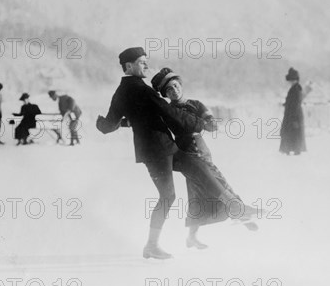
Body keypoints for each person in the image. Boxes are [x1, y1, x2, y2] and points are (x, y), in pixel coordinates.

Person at [96, 47, 257, 260]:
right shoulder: (142, 90)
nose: (146, 65)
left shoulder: (121, 92)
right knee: (168, 195)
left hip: (163, 147)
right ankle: (152, 245)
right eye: (142, 61)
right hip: (157, 152)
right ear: (129, 66)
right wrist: (200, 124)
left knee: (198, 167)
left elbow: (109, 125)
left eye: (146, 61)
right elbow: (170, 113)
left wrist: (103, 123)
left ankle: (235, 207)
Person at [151, 68, 259, 250]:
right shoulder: (167, 110)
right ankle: (238, 213)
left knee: (207, 186)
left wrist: (207, 122)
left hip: (200, 148)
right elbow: (151, 123)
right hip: (185, 152)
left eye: (176, 86)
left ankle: (195, 235)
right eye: (169, 90)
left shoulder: (196, 104)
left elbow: (211, 125)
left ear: (181, 85)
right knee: (205, 189)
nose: (174, 91)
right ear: (165, 94)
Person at [279, 67, 312, 155]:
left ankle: (292, 151)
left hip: (294, 116)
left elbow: (296, 104)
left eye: (291, 80)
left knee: (293, 134)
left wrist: (294, 119)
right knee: (292, 134)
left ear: (294, 80)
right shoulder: (295, 88)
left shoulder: (296, 89)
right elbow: (292, 102)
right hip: (292, 115)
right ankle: (290, 150)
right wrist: (285, 104)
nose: (289, 82)